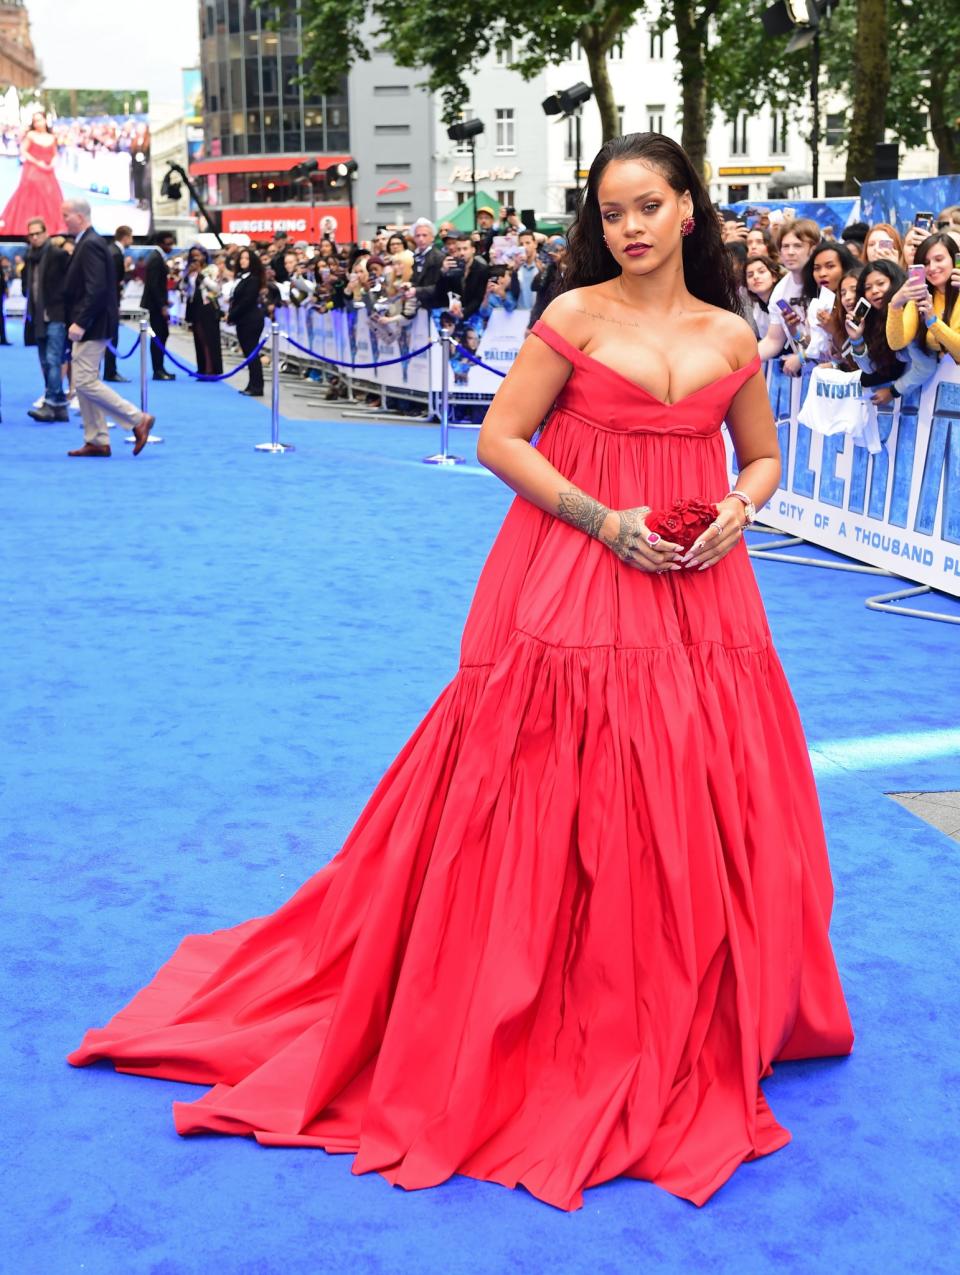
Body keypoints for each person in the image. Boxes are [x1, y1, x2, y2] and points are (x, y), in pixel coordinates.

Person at [68, 132, 853, 1212]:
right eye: (609, 210)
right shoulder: (573, 316)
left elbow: (760, 456)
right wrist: (601, 519)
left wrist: (737, 509)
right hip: (579, 571)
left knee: (697, 778)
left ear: (686, 210)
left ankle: (682, 997)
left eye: (646, 206)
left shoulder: (733, 335)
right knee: (562, 778)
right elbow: (503, 440)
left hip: (702, 591)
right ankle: (556, 997)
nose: (627, 226)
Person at [60, 198, 154, 457]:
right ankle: (97, 439)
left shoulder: (90, 244)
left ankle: (137, 419)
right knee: (82, 382)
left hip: (93, 322)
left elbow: (97, 288)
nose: (62, 219)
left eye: (65, 214)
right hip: (92, 321)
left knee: (86, 381)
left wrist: (81, 321)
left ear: (79, 216)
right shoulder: (88, 242)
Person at [845, 260, 937, 403]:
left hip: (926, 394)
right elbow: (870, 369)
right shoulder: (874, 319)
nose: (874, 291)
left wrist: (894, 390)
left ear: (896, 283)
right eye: (868, 287)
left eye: (881, 284)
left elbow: (925, 367)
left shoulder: (910, 311)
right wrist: (857, 340)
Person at [886, 230, 960, 365]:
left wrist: (932, 321)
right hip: (939, 381)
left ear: (955, 259)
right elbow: (897, 343)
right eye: (925, 263)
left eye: (939, 259)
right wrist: (895, 304)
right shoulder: (920, 297)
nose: (932, 267)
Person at [756, 217, 820, 374]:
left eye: (798, 246)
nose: (790, 252)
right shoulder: (780, 291)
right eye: (785, 246)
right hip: (805, 374)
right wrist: (740, 362)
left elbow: (832, 338)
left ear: (813, 248)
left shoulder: (824, 281)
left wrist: (802, 356)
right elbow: (773, 340)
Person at [22, 217, 71, 421]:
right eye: (31, 234)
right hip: (38, 317)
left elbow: (70, 283)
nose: (34, 237)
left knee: (52, 360)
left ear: (45, 233)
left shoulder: (58, 255)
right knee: (45, 360)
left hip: (56, 314)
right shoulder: (30, 257)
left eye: (37, 233)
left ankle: (51, 403)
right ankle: (59, 406)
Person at [0, 110, 64, 236]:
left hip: (48, 171)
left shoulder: (52, 137)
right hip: (32, 171)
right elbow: (23, 151)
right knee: (29, 197)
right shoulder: (31, 135)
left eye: (40, 120)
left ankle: (49, 228)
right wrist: (37, 162)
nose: (37, 123)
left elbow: (55, 153)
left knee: (51, 197)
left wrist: (52, 162)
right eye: (35, 121)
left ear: (46, 120)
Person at [227, 246, 265, 396]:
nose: (243, 261)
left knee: (252, 352)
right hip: (243, 319)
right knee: (248, 353)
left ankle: (257, 386)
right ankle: (252, 383)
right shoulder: (242, 278)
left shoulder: (253, 279)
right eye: (241, 258)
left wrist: (232, 316)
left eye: (246, 258)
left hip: (251, 319)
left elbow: (247, 301)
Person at [182, 245, 223, 376]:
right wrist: (187, 275)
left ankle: (211, 369)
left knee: (209, 339)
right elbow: (183, 287)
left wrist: (201, 275)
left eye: (198, 255)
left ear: (204, 256)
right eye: (193, 256)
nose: (195, 258)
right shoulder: (190, 270)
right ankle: (202, 367)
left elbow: (216, 288)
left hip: (208, 306)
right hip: (195, 306)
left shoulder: (212, 269)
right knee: (199, 338)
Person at [142, 231, 177, 380]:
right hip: (156, 306)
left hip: (158, 303)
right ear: (161, 243)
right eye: (168, 244)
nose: (171, 247)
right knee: (159, 335)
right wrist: (162, 305)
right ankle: (158, 369)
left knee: (162, 335)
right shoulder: (156, 259)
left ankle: (160, 367)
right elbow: (155, 285)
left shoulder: (157, 257)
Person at [102, 224, 133, 383]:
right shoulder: (115, 254)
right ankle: (110, 371)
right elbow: (113, 280)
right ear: (126, 236)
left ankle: (110, 370)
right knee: (111, 336)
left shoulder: (112, 250)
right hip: (110, 301)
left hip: (110, 300)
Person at [744, 253, 785, 339]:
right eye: (750, 275)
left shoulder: (784, 300)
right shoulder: (758, 311)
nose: (755, 277)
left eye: (761, 272)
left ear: (774, 276)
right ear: (747, 286)